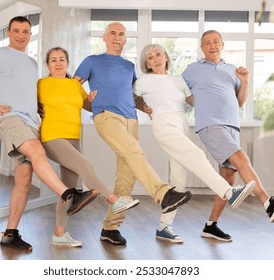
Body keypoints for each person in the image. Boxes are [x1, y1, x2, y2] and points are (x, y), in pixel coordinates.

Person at [0, 16, 97, 251]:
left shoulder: (32, 63)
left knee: (23, 180)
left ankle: (10, 234)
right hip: (9, 118)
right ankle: (69, 194)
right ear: (9, 33)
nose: (21, 35)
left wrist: (39, 109)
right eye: (16, 31)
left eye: (25, 31)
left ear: (29, 34)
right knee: (36, 150)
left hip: (31, 123)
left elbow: (27, 92)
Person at [74, 22, 192, 245]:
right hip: (107, 116)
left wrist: (144, 107)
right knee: (134, 151)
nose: (117, 37)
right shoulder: (92, 61)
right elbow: (72, 88)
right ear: (105, 37)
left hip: (131, 119)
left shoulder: (129, 67)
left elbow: (133, 95)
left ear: (125, 40)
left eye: (122, 34)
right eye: (113, 33)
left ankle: (110, 228)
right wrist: (86, 103)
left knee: (126, 177)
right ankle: (163, 194)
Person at [182, 30, 274, 242]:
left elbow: (240, 102)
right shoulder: (192, 70)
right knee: (242, 158)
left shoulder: (232, 70)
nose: (212, 45)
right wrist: (193, 103)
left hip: (232, 127)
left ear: (222, 45)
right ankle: (268, 203)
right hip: (210, 124)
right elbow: (180, 92)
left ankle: (211, 225)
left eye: (216, 41)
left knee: (228, 176)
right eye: (207, 43)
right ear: (202, 48)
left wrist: (244, 82)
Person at [133, 43, 256, 243]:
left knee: (179, 177)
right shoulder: (144, 81)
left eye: (158, 54)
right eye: (150, 57)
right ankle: (227, 191)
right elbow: (132, 97)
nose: (155, 59)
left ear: (166, 57)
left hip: (181, 123)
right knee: (197, 155)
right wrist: (143, 106)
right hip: (164, 124)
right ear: (146, 63)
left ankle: (164, 227)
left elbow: (198, 100)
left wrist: (227, 95)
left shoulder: (178, 80)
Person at [37, 47, 140, 247]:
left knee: (67, 189)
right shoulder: (41, 84)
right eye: (53, 60)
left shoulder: (75, 85)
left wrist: (92, 99)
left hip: (74, 137)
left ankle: (59, 234)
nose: (58, 63)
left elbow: (87, 106)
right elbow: (31, 105)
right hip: (52, 136)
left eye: (61, 60)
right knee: (84, 166)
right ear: (48, 64)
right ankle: (113, 200)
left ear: (67, 63)